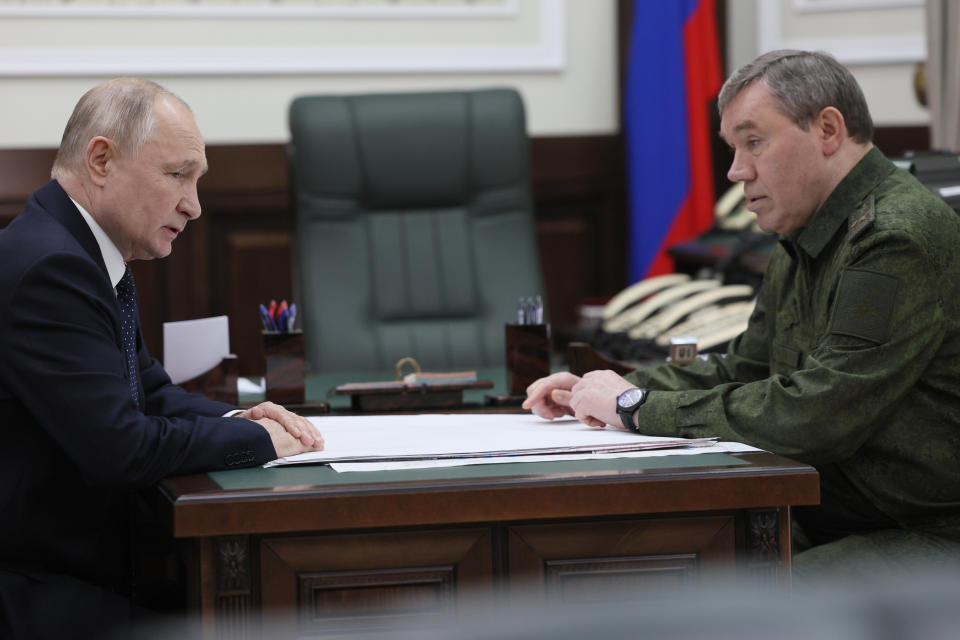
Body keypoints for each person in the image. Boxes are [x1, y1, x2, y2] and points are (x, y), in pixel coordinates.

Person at [524, 50, 960, 579]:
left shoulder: (895, 237)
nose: (736, 171)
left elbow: (818, 415)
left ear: (827, 130)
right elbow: (745, 370)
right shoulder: (809, 232)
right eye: (733, 149)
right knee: (654, 566)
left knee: (745, 603)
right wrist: (604, 392)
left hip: (924, 532)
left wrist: (637, 407)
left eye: (754, 142)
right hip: (832, 512)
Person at [0, 78, 324, 638]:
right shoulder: (50, 268)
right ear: (101, 159)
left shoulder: (77, 248)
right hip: (32, 585)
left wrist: (241, 418)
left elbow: (148, 389)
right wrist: (259, 443)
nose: (194, 206)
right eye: (177, 175)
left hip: (82, 564)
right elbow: (121, 448)